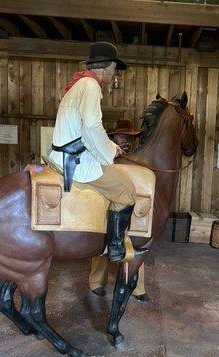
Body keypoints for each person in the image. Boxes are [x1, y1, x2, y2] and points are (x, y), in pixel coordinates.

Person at [48, 42, 146, 262]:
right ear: (107, 66)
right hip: (75, 160)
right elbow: (92, 126)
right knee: (126, 188)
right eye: (114, 68)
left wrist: (111, 147)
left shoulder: (79, 85)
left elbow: (86, 131)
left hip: (64, 153)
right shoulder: (90, 86)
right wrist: (111, 151)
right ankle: (116, 247)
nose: (114, 73)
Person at [89, 118, 149, 302]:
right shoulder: (104, 153)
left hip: (133, 205)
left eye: (129, 138)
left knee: (137, 243)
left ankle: (137, 287)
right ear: (113, 136)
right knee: (104, 241)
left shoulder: (136, 159)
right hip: (108, 201)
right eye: (122, 136)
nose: (126, 141)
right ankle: (96, 281)